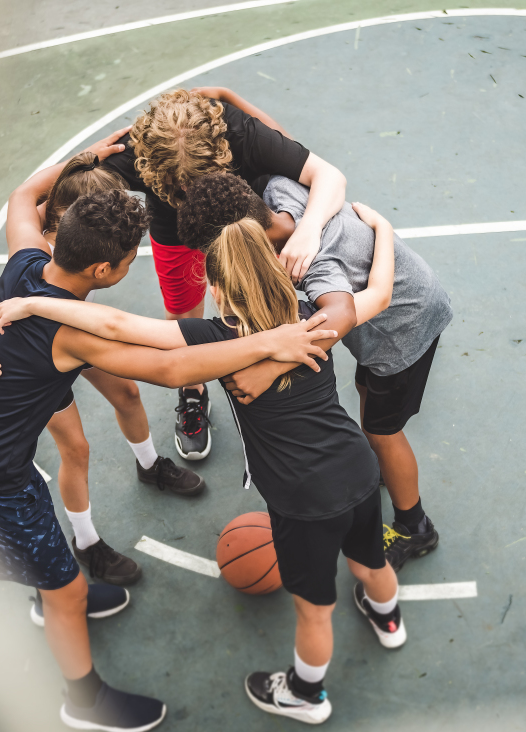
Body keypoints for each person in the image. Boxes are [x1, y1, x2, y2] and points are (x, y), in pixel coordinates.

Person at [0, 178, 335, 732]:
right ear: (103, 271)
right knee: (65, 592)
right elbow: (170, 368)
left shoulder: (26, 262)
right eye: (126, 261)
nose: (127, 268)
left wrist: (92, 157)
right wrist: (269, 343)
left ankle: (53, 591)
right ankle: (84, 700)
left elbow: (22, 197)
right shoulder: (67, 333)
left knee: (53, 564)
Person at [0, 200, 403, 726]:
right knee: (371, 563)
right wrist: (383, 229)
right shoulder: (312, 321)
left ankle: (305, 694)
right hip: (361, 472)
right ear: (275, 265)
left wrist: (37, 305)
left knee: (315, 610)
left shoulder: (217, 338)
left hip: (304, 501)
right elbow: (381, 292)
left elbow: (117, 325)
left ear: (217, 288)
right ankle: (388, 618)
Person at [176, 172, 454, 572]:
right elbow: (323, 172)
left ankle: (415, 527)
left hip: (402, 331)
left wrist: (270, 368)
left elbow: (339, 317)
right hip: (389, 317)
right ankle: (378, 472)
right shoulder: (279, 191)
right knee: (365, 389)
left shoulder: (313, 265)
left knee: (383, 431)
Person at [0, 148, 204, 588]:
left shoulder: (37, 255)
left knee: (126, 392)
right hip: (38, 369)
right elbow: (157, 358)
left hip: (62, 334)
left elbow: (22, 194)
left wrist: (90, 154)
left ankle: (149, 466)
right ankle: (86, 543)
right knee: (77, 448)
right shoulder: (57, 276)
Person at [101, 87, 348, 461]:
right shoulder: (136, 152)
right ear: (153, 167)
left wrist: (309, 228)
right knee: (184, 312)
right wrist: (86, 158)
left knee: (267, 296)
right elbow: (54, 193)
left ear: (221, 152)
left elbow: (327, 175)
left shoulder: (239, 132)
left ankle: (280, 359)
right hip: (178, 239)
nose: (189, 191)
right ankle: (194, 390)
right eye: (179, 187)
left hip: (245, 223)